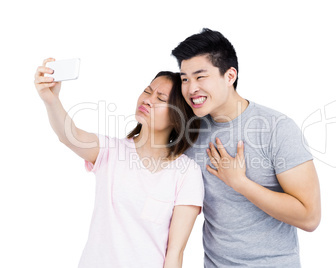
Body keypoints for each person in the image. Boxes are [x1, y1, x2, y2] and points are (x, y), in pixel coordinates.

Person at [34, 58, 204, 268]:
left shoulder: (186, 172)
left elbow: (175, 253)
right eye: (147, 91)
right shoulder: (111, 151)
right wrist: (51, 100)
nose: (148, 100)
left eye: (160, 98)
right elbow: (69, 135)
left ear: (177, 116)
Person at [171, 28, 321, 267]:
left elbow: (309, 217)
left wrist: (240, 183)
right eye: (185, 79)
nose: (191, 89)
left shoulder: (276, 128)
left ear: (230, 76)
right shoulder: (189, 132)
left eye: (200, 77)